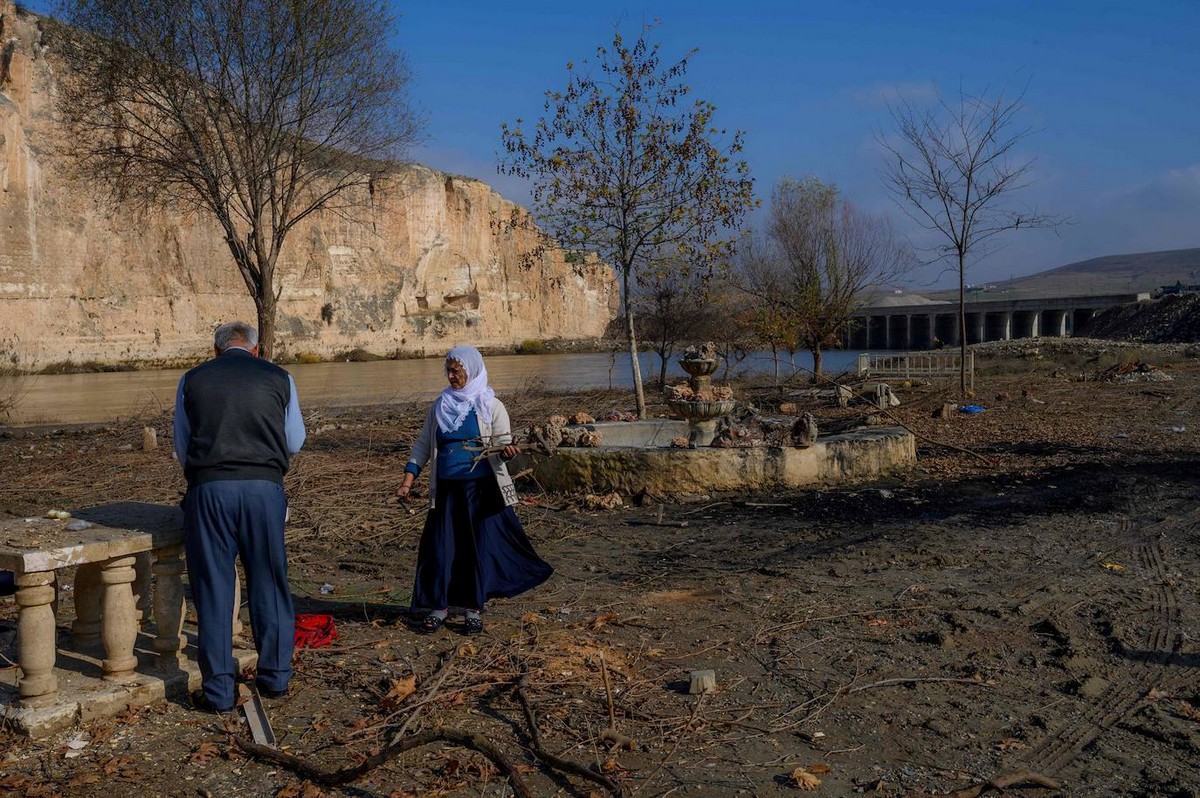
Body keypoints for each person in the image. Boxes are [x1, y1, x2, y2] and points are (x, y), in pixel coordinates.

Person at [174, 321, 306, 712]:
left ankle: (218, 692)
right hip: (264, 490)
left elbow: (183, 445)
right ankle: (275, 678)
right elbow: (295, 440)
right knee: (269, 580)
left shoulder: (192, 380)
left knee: (214, 589)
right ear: (256, 350)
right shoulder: (280, 377)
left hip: (209, 490)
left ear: (215, 351)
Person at [397, 345, 552, 635]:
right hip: (445, 492)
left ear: (472, 370)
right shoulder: (440, 405)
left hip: (479, 492)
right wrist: (408, 479)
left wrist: (507, 452)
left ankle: (472, 609)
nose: (452, 376)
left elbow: (503, 447)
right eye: (449, 371)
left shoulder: (490, 405)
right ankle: (438, 608)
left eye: (457, 371)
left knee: (474, 551)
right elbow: (422, 446)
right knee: (441, 549)